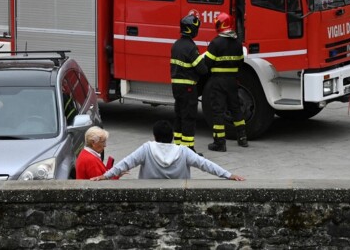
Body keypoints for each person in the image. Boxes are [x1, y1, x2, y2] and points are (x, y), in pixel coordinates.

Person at [92, 120, 244, 181]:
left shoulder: (146, 149)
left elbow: (125, 163)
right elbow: (205, 164)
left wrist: (105, 176)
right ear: (172, 137)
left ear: (154, 136)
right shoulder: (183, 151)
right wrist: (228, 175)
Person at [204, 12, 247, 152]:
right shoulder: (237, 42)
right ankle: (242, 138)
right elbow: (241, 62)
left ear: (221, 24)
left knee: (218, 111)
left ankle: (219, 143)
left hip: (218, 81)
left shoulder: (216, 42)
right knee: (236, 108)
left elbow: (208, 63)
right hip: (232, 81)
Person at [170, 10, 207, 151]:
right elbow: (202, 69)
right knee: (189, 117)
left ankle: (178, 146)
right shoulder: (191, 47)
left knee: (179, 116)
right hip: (189, 88)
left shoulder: (176, 45)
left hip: (176, 87)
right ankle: (188, 149)